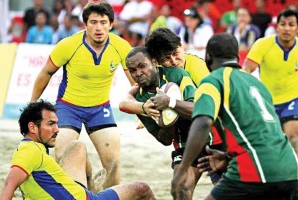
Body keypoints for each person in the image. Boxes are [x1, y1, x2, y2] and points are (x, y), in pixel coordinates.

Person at [171, 33, 298, 200]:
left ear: (208, 58)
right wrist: (228, 156)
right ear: (237, 57)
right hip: (290, 168)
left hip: (257, 168)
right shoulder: (257, 84)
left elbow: (202, 122)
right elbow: (261, 131)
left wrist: (182, 170)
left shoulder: (212, 81)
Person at [30, 1, 135, 189]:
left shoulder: (121, 46)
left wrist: (142, 110)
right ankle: (87, 178)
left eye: (103, 22)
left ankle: (98, 192)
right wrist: (32, 103)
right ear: (85, 24)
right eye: (93, 22)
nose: (98, 28)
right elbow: (46, 73)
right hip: (68, 107)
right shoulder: (69, 45)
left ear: (111, 24)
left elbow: (134, 82)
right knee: (63, 154)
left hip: (100, 108)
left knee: (114, 168)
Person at [0, 100, 155, 200]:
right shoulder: (28, 151)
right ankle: (92, 190)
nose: (57, 129)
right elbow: (8, 186)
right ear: (32, 127)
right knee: (142, 189)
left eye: (57, 123)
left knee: (77, 146)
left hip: (75, 191)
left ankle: (91, 186)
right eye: (51, 124)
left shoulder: (31, 147)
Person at [122, 46, 222, 199]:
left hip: (212, 137)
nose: (138, 73)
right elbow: (165, 140)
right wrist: (167, 120)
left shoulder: (177, 73)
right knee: (180, 188)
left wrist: (170, 103)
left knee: (227, 192)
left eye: (142, 66)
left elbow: (198, 110)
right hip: (184, 144)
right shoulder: (140, 100)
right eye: (133, 70)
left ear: (155, 62)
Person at [243, 9, 298, 154]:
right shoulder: (263, 44)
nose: (287, 28)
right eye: (283, 24)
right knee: (270, 144)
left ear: (297, 28)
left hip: (293, 99)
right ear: (277, 26)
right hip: (267, 101)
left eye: (291, 25)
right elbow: (246, 70)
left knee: (293, 137)